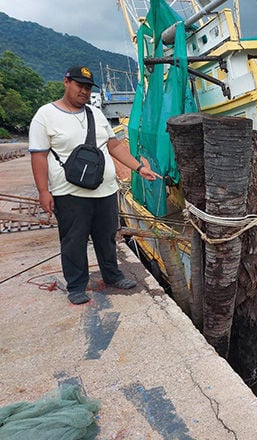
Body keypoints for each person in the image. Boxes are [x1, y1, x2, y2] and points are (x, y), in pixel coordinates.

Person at [29, 65, 159, 305]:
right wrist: (43, 191)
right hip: (69, 193)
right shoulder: (45, 115)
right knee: (73, 240)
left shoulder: (96, 115)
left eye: (88, 88)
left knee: (107, 236)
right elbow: (38, 155)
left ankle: (112, 275)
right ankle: (77, 285)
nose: (84, 92)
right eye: (80, 86)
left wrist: (139, 168)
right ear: (66, 82)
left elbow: (115, 146)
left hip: (105, 190)